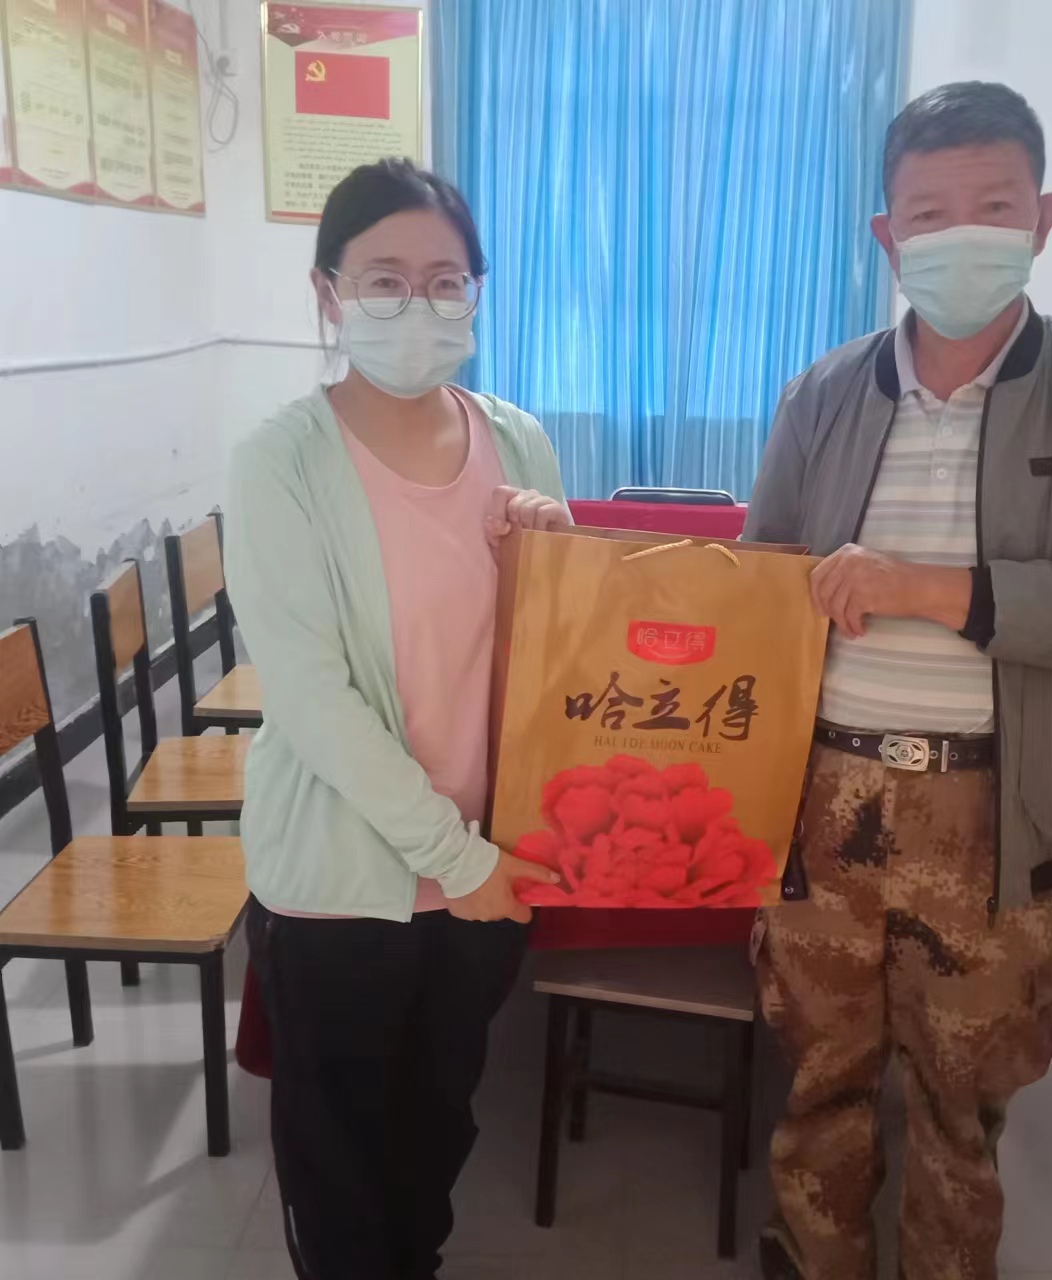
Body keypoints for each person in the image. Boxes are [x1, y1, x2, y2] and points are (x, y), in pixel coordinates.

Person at [744, 83, 1052, 1280]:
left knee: (962, 1105)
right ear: (885, 235)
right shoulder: (821, 393)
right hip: (824, 799)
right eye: (927, 213)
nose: (960, 235)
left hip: (992, 807)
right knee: (819, 1076)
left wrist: (930, 587)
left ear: (1042, 218)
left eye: (993, 206)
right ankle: (814, 1257)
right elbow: (759, 585)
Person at [224, 159, 568, 1280]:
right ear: (328, 293)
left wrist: (555, 552)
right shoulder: (280, 460)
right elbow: (311, 698)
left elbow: (560, 651)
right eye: (383, 278)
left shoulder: (518, 440)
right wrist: (452, 859)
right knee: (337, 1156)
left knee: (437, 1122)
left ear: (476, 291)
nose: (416, 304)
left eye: (444, 278)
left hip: (488, 871)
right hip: (343, 878)